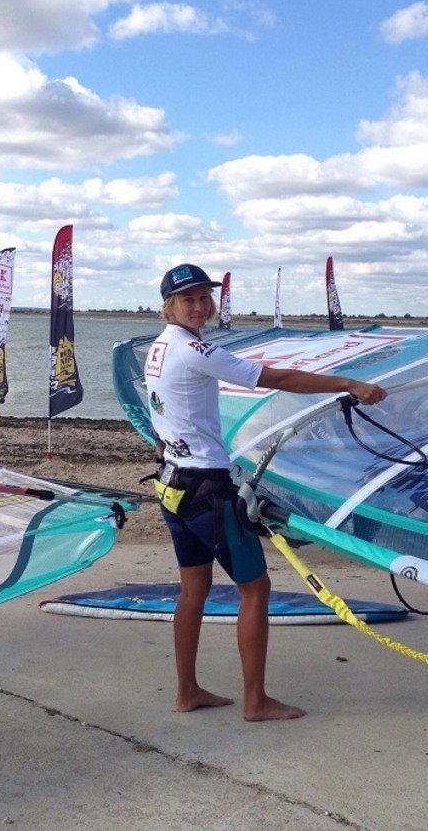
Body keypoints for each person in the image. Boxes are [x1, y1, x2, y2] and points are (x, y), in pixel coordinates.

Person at [144, 263, 386, 721]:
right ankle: (255, 701)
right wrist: (349, 383)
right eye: (187, 299)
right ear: (169, 305)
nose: (198, 306)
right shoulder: (196, 350)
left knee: (193, 589)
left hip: (173, 484)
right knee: (256, 589)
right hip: (205, 490)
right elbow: (280, 379)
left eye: (203, 298)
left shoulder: (158, 350)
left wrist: (169, 442)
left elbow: (161, 406)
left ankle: (187, 691)